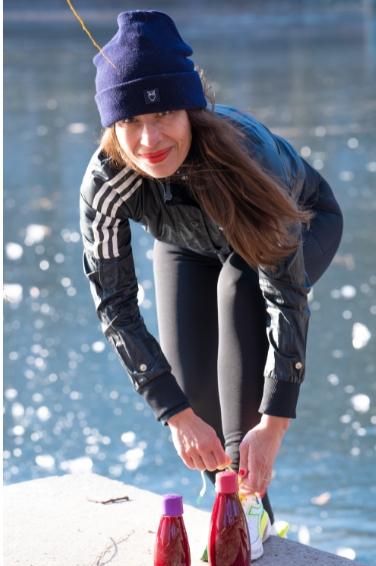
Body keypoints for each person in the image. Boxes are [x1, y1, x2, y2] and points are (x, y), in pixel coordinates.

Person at [79, 10, 344, 519]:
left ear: (191, 112)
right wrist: (176, 414)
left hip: (297, 226)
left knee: (240, 288)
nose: (149, 141)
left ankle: (250, 512)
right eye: (130, 121)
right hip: (186, 245)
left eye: (163, 116)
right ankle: (237, 510)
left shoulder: (246, 159)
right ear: (112, 125)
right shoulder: (105, 183)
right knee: (193, 402)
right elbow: (114, 305)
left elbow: (283, 296)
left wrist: (274, 422)